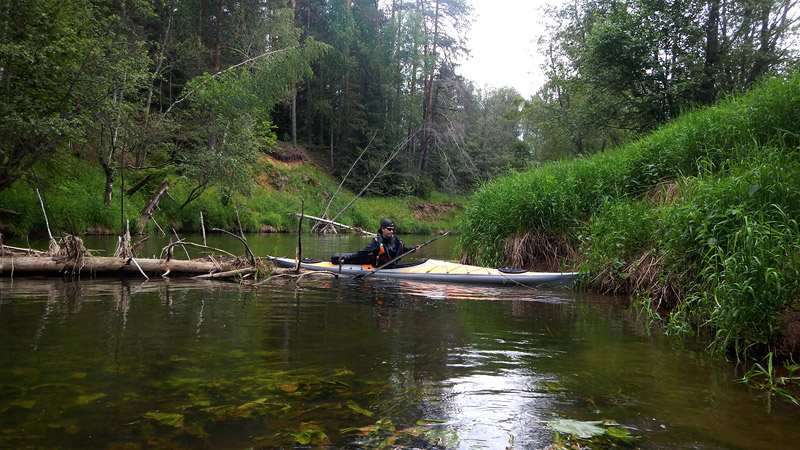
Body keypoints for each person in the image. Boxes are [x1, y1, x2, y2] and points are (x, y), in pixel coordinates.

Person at [332, 219, 419, 266]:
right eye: (389, 229)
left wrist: (413, 249)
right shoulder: (376, 242)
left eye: (392, 229)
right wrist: (346, 258)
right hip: (379, 267)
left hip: (392, 266)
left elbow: (402, 250)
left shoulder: (395, 240)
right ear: (383, 229)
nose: (391, 231)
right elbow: (362, 252)